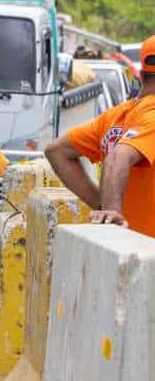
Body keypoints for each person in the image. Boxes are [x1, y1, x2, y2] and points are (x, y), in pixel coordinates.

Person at [46, 34, 155, 239]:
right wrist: (112, 213)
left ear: (140, 75)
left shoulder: (115, 116)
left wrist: (102, 205)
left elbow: (57, 151)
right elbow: (118, 156)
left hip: (123, 250)